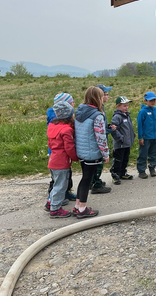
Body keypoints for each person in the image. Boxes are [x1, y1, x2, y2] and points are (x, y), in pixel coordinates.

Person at [73, 86, 110, 218]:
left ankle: (77, 206)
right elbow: (101, 137)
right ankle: (82, 209)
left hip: (81, 152)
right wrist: (105, 154)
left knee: (84, 179)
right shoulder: (97, 116)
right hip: (92, 153)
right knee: (87, 180)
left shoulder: (79, 113)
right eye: (101, 97)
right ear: (97, 98)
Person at [46, 101, 79, 218]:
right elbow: (69, 148)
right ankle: (55, 209)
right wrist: (75, 157)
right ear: (69, 115)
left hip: (53, 161)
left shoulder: (52, 127)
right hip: (61, 163)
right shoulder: (67, 130)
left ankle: (50, 203)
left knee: (56, 184)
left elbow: (50, 144)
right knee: (61, 186)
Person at [88, 84, 113, 192]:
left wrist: (108, 127)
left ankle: (93, 181)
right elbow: (98, 130)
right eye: (105, 94)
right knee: (98, 164)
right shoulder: (98, 111)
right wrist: (108, 130)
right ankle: (96, 184)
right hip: (99, 143)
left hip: (99, 140)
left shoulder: (101, 108)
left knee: (96, 164)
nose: (108, 97)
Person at [109, 96, 136, 184]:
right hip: (120, 144)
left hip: (127, 143)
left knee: (125, 159)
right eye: (124, 106)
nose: (126, 107)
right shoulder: (117, 117)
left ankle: (122, 173)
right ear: (118, 106)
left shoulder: (127, 116)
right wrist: (120, 138)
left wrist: (132, 135)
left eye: (127, 105)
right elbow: (113, 129)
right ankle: (115, 174)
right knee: (118, 160)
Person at [136, 91, 156, 178]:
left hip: (154, 137)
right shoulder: (142, 112)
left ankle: (152, 168)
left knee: (153, 154)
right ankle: (141, 171)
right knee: (143, 154)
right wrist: (140, 137)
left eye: (154, 100)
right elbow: (140, 125)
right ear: (145, 101)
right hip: (146, 137)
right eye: (150, 100)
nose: (153, 102)